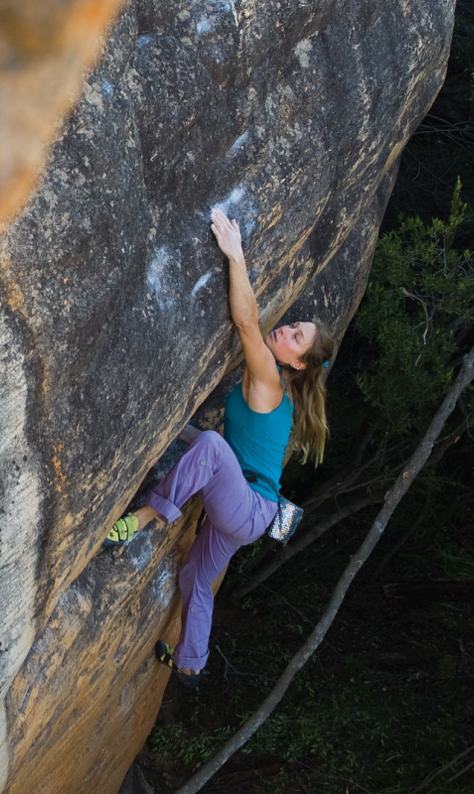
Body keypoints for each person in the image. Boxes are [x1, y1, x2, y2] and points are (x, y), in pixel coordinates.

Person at [103, 207, 337, 687]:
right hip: (250, 513)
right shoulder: (281, 388)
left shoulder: (270, 379)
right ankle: (191, 662)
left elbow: (248, 324)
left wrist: (235, 255)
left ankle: (142, 521)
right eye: (295, 324)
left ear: (297, 365)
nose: (286, 329)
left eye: (296, 337)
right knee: (195, 577)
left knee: (207, 443)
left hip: (246, 505)